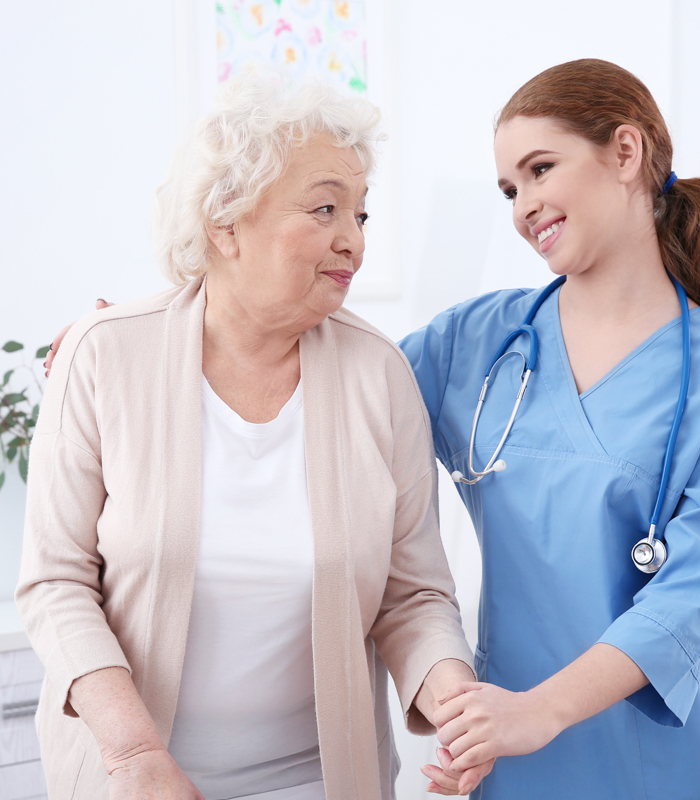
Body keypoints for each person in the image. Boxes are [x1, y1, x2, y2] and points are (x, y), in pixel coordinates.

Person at [17, 74, 494, 800]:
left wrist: (456, 703)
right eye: (326, 208)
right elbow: (56, 582)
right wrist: (135, 753)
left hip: (321, 779)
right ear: (225, 222)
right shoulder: (105, 355)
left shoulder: (380, 375)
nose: (353, 240)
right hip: (133, 773)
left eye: (361, 215)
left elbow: (412, 595)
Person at [401, 59, 700, 798]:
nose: (523, 205)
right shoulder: (473, 342)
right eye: (509, 189)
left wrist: (540, 712)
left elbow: (693, 594)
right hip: (519, 745)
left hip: (689, 759)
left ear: (626, 153)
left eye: (540, 168)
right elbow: (337, 398)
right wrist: (162, 344)